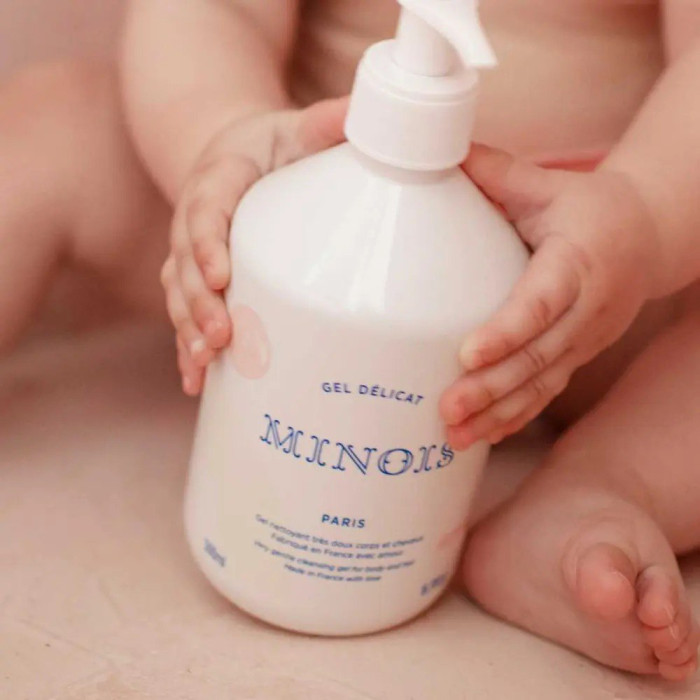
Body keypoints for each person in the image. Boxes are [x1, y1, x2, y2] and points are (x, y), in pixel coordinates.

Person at [0, 0, 699, 681]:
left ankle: (605, 487)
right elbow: (213, 12)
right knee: (55, 119)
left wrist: (644, 212)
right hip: (294, 248)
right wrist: (225, 133)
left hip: (598, 282)